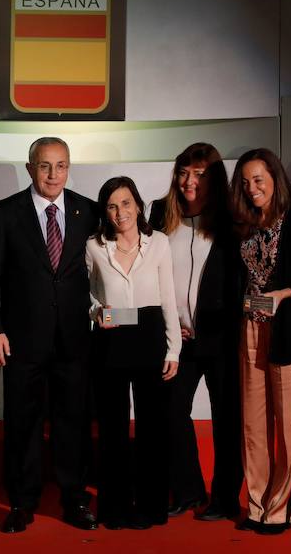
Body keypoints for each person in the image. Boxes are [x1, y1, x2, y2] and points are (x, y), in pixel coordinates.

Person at [0, 137, 99, 533]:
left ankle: (75, 499)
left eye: (61, 165)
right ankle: (22, 502)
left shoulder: (89, 212)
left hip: (75, 339)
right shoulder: (2, 214)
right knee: (22, 423)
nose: (53, 174)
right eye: (45, 166)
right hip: (20, 339)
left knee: (73, 422)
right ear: (30, 168)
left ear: (69, 167)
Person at [229, 148, 291, 535]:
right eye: (246, 181)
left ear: (275, 178)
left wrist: (283, 295)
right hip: (250, 330)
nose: (252, 188)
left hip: (288, 333)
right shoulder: (244, 224)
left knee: (287, 430)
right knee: (253, 426)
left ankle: (279, 511)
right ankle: (256, 505)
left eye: (259, 179)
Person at [148, 143, 243, 521]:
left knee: (226, 419)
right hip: (178, 340)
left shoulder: (231, 221)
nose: (190, 181)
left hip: (221, 339)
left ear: (214, 179)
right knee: (171, 413)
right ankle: (187, 490)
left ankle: (223, 498)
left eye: (200, 174)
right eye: (185, 172)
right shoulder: (159, 213)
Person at [85, 176, 181, 530]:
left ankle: (152, 507)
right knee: (112, 429)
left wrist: (175, 350)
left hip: (151, 333)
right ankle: (114, 509)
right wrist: (97, 312)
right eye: (112, 205)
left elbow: (168, 298)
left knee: (153, 429)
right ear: (105, 212)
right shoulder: (94, 246)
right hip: (111, 338)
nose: (120, 211)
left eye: (126, 203)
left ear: (138, 205)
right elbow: (88, 295)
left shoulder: (159, 243)